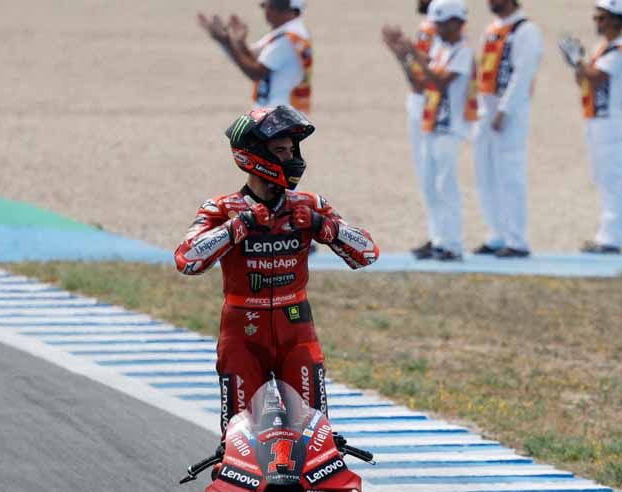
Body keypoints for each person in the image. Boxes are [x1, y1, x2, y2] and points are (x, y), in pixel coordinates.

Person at [174, 106, 379, 432]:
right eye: (280, 150)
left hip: (296, 330)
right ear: (254, 154)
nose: (291, 158)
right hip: (241, 333)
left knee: (313, 432)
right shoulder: (222, 208)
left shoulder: (310, 205)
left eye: (292, 150)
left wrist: (322, 226)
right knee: (238, 435)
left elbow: (367, 252)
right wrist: (237, 227)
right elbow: (186, 260)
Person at [385, 0, 476, 261]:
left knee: (446, 185)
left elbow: (441, 82)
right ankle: (438, 239)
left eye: (441, 25)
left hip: (449, 127)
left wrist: (413, 51)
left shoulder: (463, 50)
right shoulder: (440, 47)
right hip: (430, 123)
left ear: (457, 23)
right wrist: (401, 56)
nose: (436, 30)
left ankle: (453, 243)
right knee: (430, 185)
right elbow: (420, 82)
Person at [473, 0, 544, 258]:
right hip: (485, 109)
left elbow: (523, 74)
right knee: (485, 174)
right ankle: (496, 234)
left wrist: (504, 110)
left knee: (509, 174)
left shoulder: (526, 31)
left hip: (510, 112)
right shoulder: (491, 28)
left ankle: (517, 240)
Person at [570, 0, 622, 255]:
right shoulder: (602, 49)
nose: (597, 22)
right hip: (597, 118)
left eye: (603, 17)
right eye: (597, 17)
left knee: (612, 178)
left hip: (611, 120)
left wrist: (580, 62)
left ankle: (612, 236)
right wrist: (578, 65)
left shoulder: (620, 51)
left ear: (618, 20)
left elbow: (597, 78)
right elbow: (585, 80)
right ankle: (605, 233)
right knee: (602, 176)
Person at [382, 1, 440, 259]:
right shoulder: (428, 25)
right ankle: (438, 235)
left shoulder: (436, 25)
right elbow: (416, 75)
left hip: (430, 103)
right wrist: (401, 54)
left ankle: (443, 238)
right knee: (427, 175)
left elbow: (428, 73)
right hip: (422, 100)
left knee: (433, 175)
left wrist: (407, 54)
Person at [197, 0, 313, 113]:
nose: (265, 11)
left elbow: (256, 72)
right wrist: (236, 43)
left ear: (277, 7)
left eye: (265, 5)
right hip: (283, 113)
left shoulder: (286, 39)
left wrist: (226, 42)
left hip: (280, 116)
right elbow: (253, 57)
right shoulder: (293, 32)